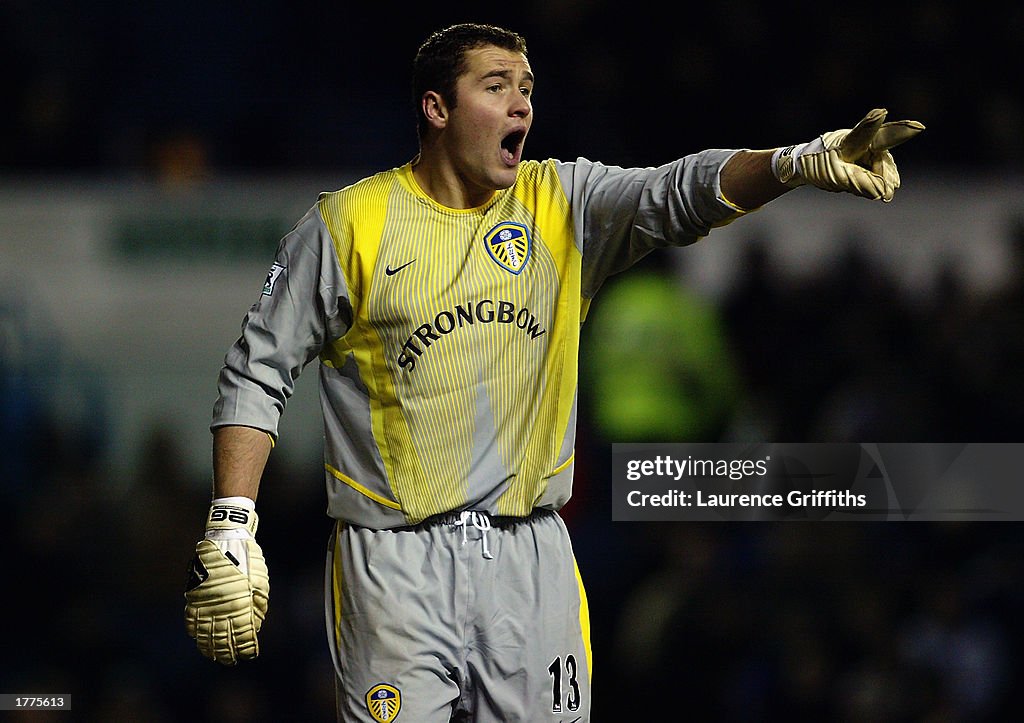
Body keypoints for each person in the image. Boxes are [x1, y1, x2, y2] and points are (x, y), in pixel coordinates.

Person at [183, 22, 924, 722]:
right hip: (393, 563)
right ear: (437, 107)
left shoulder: (562, 201)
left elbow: (681, 189)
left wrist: (796, 162)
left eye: (528, 89)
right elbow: (257, 371)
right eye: (497, 85)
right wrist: (232, 525)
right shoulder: (346, 223)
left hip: (531, 554)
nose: (521, 105)